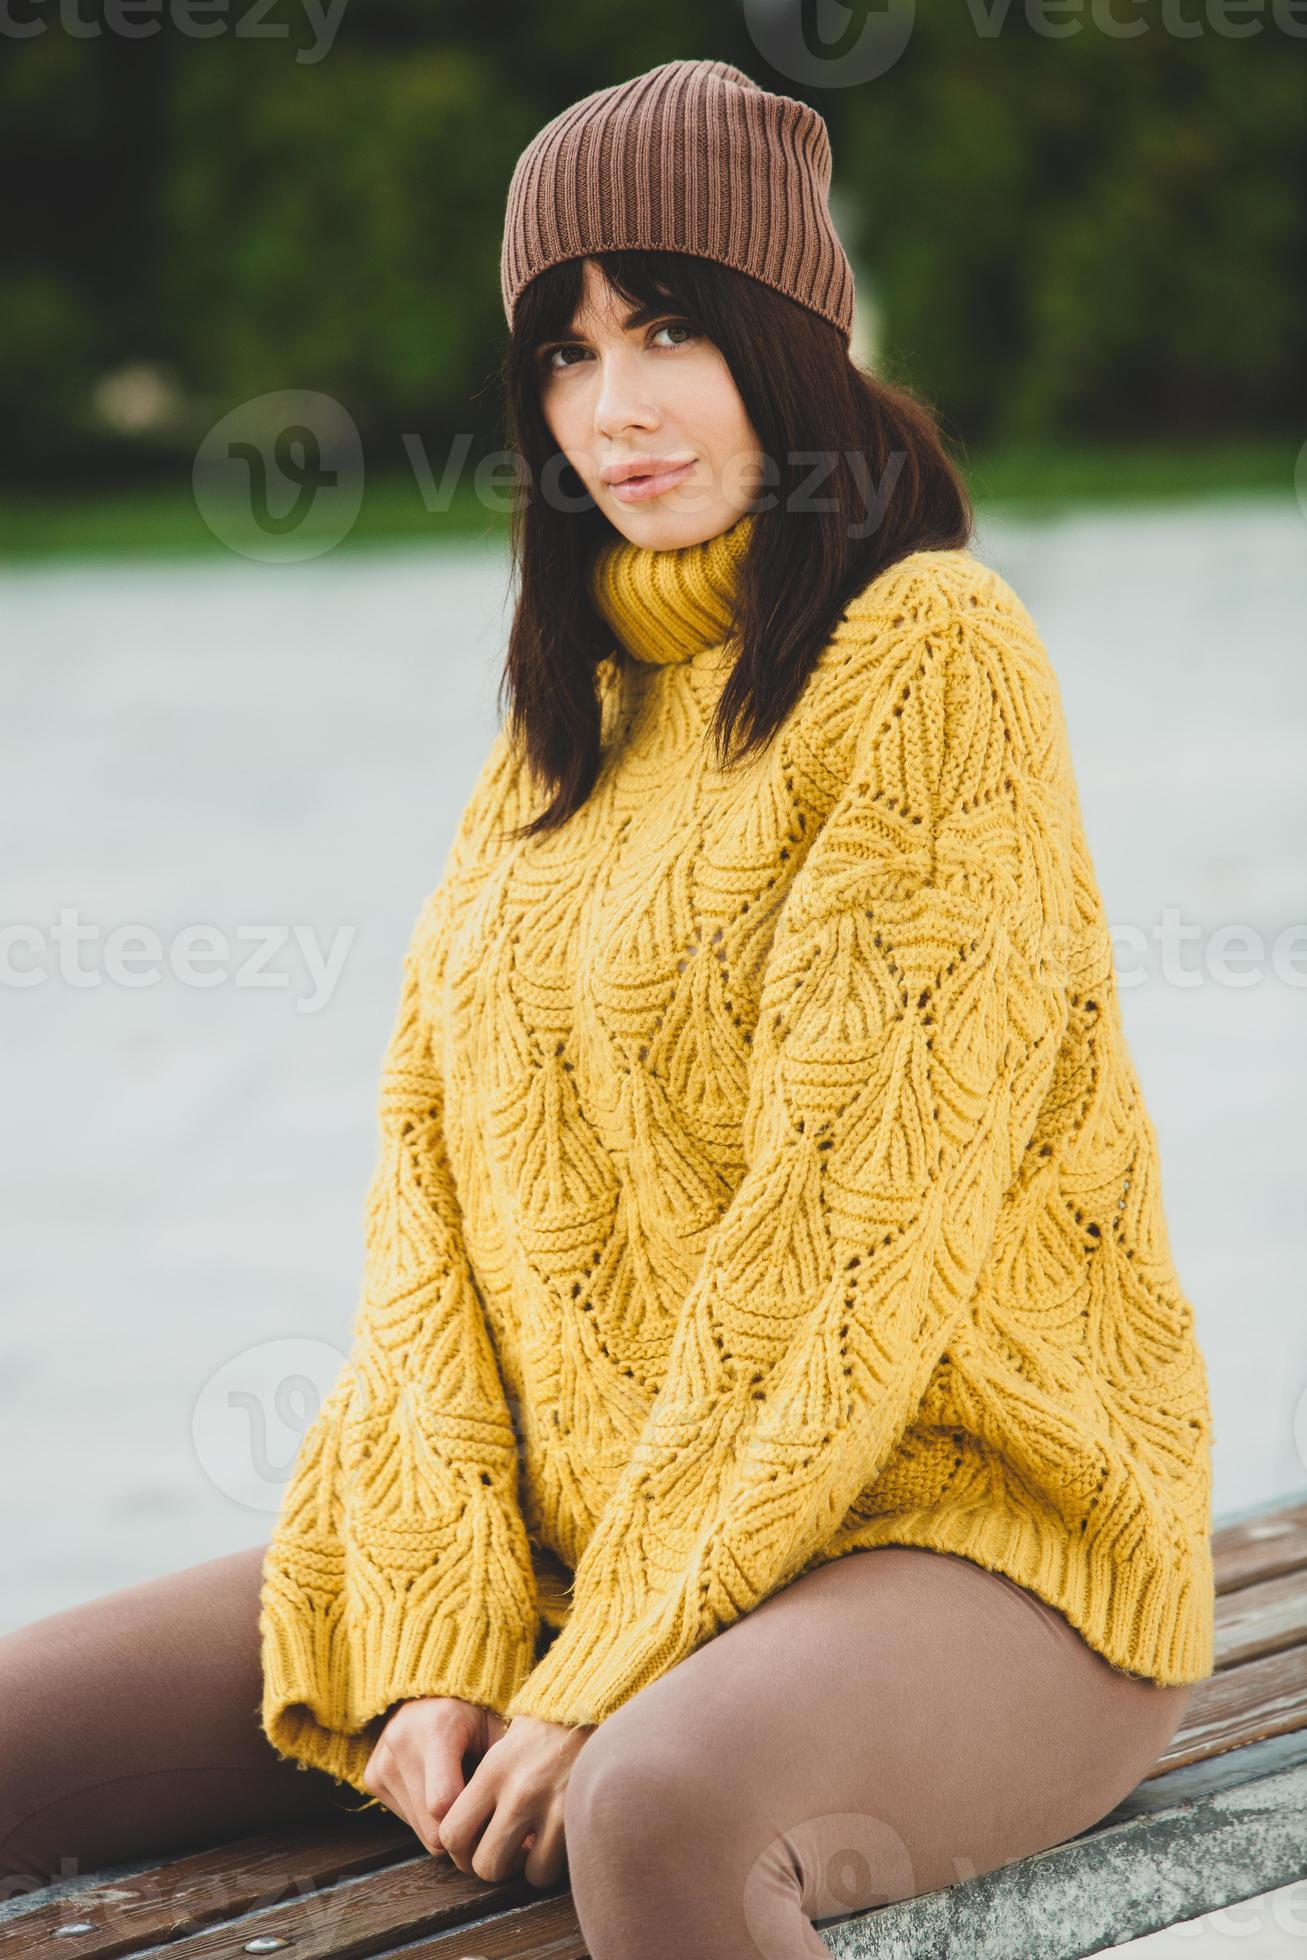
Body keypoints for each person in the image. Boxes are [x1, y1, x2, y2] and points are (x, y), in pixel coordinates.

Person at [1, 57, 1214, 1960]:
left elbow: (846, 1243)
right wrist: (433, 1637)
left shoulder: (930, 659)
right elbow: (435, 1237)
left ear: (791, 343)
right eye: (563, 353)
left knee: (657, 1809)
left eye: (668, 328)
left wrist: (611, 1669)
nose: (615, 406)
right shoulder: (563, 729)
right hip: (599, 1546)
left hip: (971, 1538)